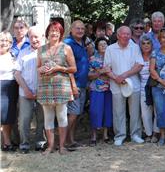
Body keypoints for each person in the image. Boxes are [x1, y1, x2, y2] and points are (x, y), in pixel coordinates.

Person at [37, 21, 77, 154]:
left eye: (57, 31)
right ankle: (50, 146)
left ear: (61, 34)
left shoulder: (66, 48)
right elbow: (38, 67)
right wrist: (41, 68)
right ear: (48, 33)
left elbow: (73, 68)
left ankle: (62, 146)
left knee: (62, 117)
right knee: (48, 117)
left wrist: (59, 68)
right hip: (45, 87)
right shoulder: (41, 49)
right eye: (52, 30)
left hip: (62, 86)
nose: (54, 33)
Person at [104, 26, 145, 146]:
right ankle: (120, 136)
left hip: (133, 84)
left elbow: (139, 65)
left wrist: (124, 75)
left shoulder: (135, 47)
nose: (126, 36)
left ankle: (135, 135)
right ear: (118, 35)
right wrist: (116, 78)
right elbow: (107, 68)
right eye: (124, 34)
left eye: (128, 34)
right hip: (116, 84)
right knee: (118, 111)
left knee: (135, 112)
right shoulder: (110, 49)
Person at [14, 26, 46, 153]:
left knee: (42, 119)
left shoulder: (47, 52)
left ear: (42, 36)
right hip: (25, 93)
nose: (34, 39)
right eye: (31, 36)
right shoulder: (23, 52)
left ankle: (40, 142)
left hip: (42, 92)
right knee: (24, 120)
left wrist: (40, 90)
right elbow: (17, 73)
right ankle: (24, 144)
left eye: (36, 36)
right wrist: (26, 90)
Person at [63, 20, 89, 148]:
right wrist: (73, 86)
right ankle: (64, 141)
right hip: (73, 85)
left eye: (82, 29)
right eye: (77, 29)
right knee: (72, 114)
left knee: (76, 114)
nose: (80, 31)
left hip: (82, 84)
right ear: (71, 30)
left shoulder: (81, 43)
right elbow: (67, 66)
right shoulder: (68, 44)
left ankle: (71, 140)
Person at [88, 38, 112, 146]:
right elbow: (89, 75)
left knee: (107, 111)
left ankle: (105, 135)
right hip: (96, 88)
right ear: (97, 46)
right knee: (95, 111)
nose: (103, 46)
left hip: (109, 88)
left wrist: (102, 72)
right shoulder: (93, 59)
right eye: (101, 44)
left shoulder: (111, 58)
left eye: (105, 44)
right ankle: (93, 136)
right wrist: (102, 72)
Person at [1, 31, 19, 152]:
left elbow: (17, 72)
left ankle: (7, 142)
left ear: (11, 43)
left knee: (8, 116)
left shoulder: (13, 56)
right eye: (1, 40)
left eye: (7, 41)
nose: (4, 43)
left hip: (11, 88)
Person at [139, 35, 159, 142]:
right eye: (143, 43)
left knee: (157, 111)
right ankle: (148, 133)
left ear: (152, 45)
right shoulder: (137, 57)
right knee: (145, 113)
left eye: (148, 43)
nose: (146, 46)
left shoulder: (156, 56)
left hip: (155, 87)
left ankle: (156, 133)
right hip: (143, 88)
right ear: (140, 45)